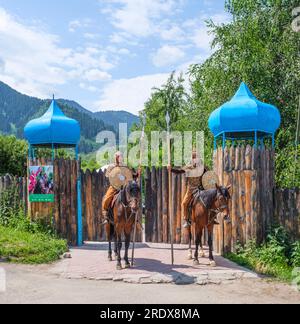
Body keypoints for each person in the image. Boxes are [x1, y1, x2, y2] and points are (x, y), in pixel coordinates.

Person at [173, 149, 219, 228]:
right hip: (191, 189)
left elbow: (209, 175)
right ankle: (187, 220)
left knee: (211, 201)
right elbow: (179, 171)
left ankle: (213, 217)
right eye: (193, 157)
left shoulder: (203, 167)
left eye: (196, 157)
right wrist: (171, 169)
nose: (195, 159)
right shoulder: (189, 167)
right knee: (184, 203)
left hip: (202, 189)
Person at [102, 151, 141, 225]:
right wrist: (115, 173)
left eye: (120, 157)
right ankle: (106, 216)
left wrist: (138, 173)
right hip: (114, 186)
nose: (119, 158)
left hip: (125, 187)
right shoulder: (111, 166)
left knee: (134, 198)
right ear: (115, 157)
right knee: (106, 198)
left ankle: (136, 218)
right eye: (118, 157)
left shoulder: (126, 166)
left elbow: (132, 176)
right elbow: (108, 176)